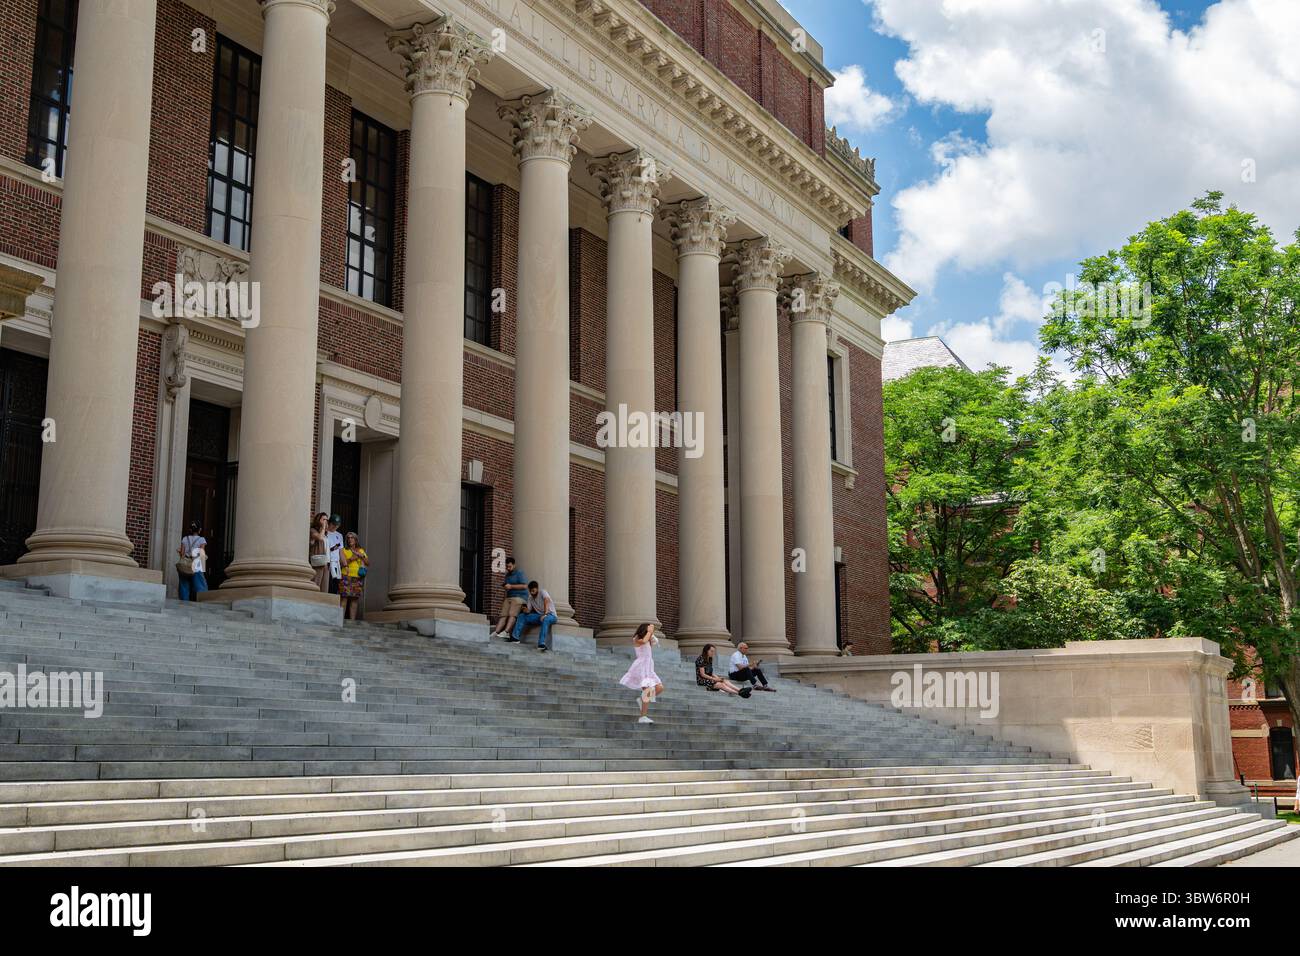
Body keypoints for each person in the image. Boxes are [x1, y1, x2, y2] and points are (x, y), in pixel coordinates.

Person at [619, 623, 665, 724]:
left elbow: (653, 641)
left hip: (649, 666)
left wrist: (651, 634)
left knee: (660, 687)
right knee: (647, 690)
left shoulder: (648, 639)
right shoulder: (637, 638)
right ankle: (643, 717)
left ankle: (642, 699)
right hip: (641, 666)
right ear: (644, 629)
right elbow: (643, 641)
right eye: (649, 627)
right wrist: (649, 632)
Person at [508, 581, 557, 651]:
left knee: (545, 619)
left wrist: (545, 614)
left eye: (533, 590)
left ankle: (541, 644)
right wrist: (524, 610)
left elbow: (547, 600)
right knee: (522, 616)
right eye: (530, 591)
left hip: (551, 615)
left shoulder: (542, 592)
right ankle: (515, 638)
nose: (532, 592)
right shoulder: (530, 598)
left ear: (537, 589)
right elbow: (528, 611)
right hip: (539, 616)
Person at [490, 557, 529, 638]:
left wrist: (511, 586)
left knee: (512, 614)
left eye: (510, 566)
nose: (508, 568)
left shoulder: (519, 573)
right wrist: (504, 597)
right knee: (503, 614)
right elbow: (507, 588)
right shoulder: (507, 575)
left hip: (520, 597)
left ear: (514, 565)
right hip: (509, 596)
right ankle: (497, 632)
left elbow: (525, 586)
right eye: (507, 567)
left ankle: (506, 632)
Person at [339, 531, 369, 621]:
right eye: (348, 538)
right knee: (344, 598)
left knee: (354, 599)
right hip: (345, 575)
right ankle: (340, 620)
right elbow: (341, 563)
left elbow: (368, 563)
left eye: (352, 538)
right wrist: (352, 558)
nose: (350, 539)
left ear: (356, 540)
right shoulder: (343, 550)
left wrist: (361, 556)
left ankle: (352, 622)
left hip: (357, 577)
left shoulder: (360, 550)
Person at [176, 520, 208, 601]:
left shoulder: (185, 539)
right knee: (200, 584)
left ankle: (184, 602)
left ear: (190, 529)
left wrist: (181, 552)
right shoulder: (202, 540)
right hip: (196, 563)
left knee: (184, 584)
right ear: (200, 530)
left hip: (185, 563)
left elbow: (182, 554)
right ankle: (203, 601)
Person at [309, 512, 330, 591]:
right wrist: (324, 527)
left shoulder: (326, 534)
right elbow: (320, 538)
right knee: (315, 585)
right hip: (318, 562)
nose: (326, 521)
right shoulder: (313, 531)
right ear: (318, 520)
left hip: (326, 563)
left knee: (324, 588)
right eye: (324, 519)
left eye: (327, 520)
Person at [325, 514, 345, 596]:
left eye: (337, 525)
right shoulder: (325, 533)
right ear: (329, 523)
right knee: (327, 584)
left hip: (336, 563)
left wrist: (345, 565)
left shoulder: (339, 535)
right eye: (333, 524)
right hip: (327, 562)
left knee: (335, 584)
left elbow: (341, 551)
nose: (335, 526)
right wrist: (333, 548)